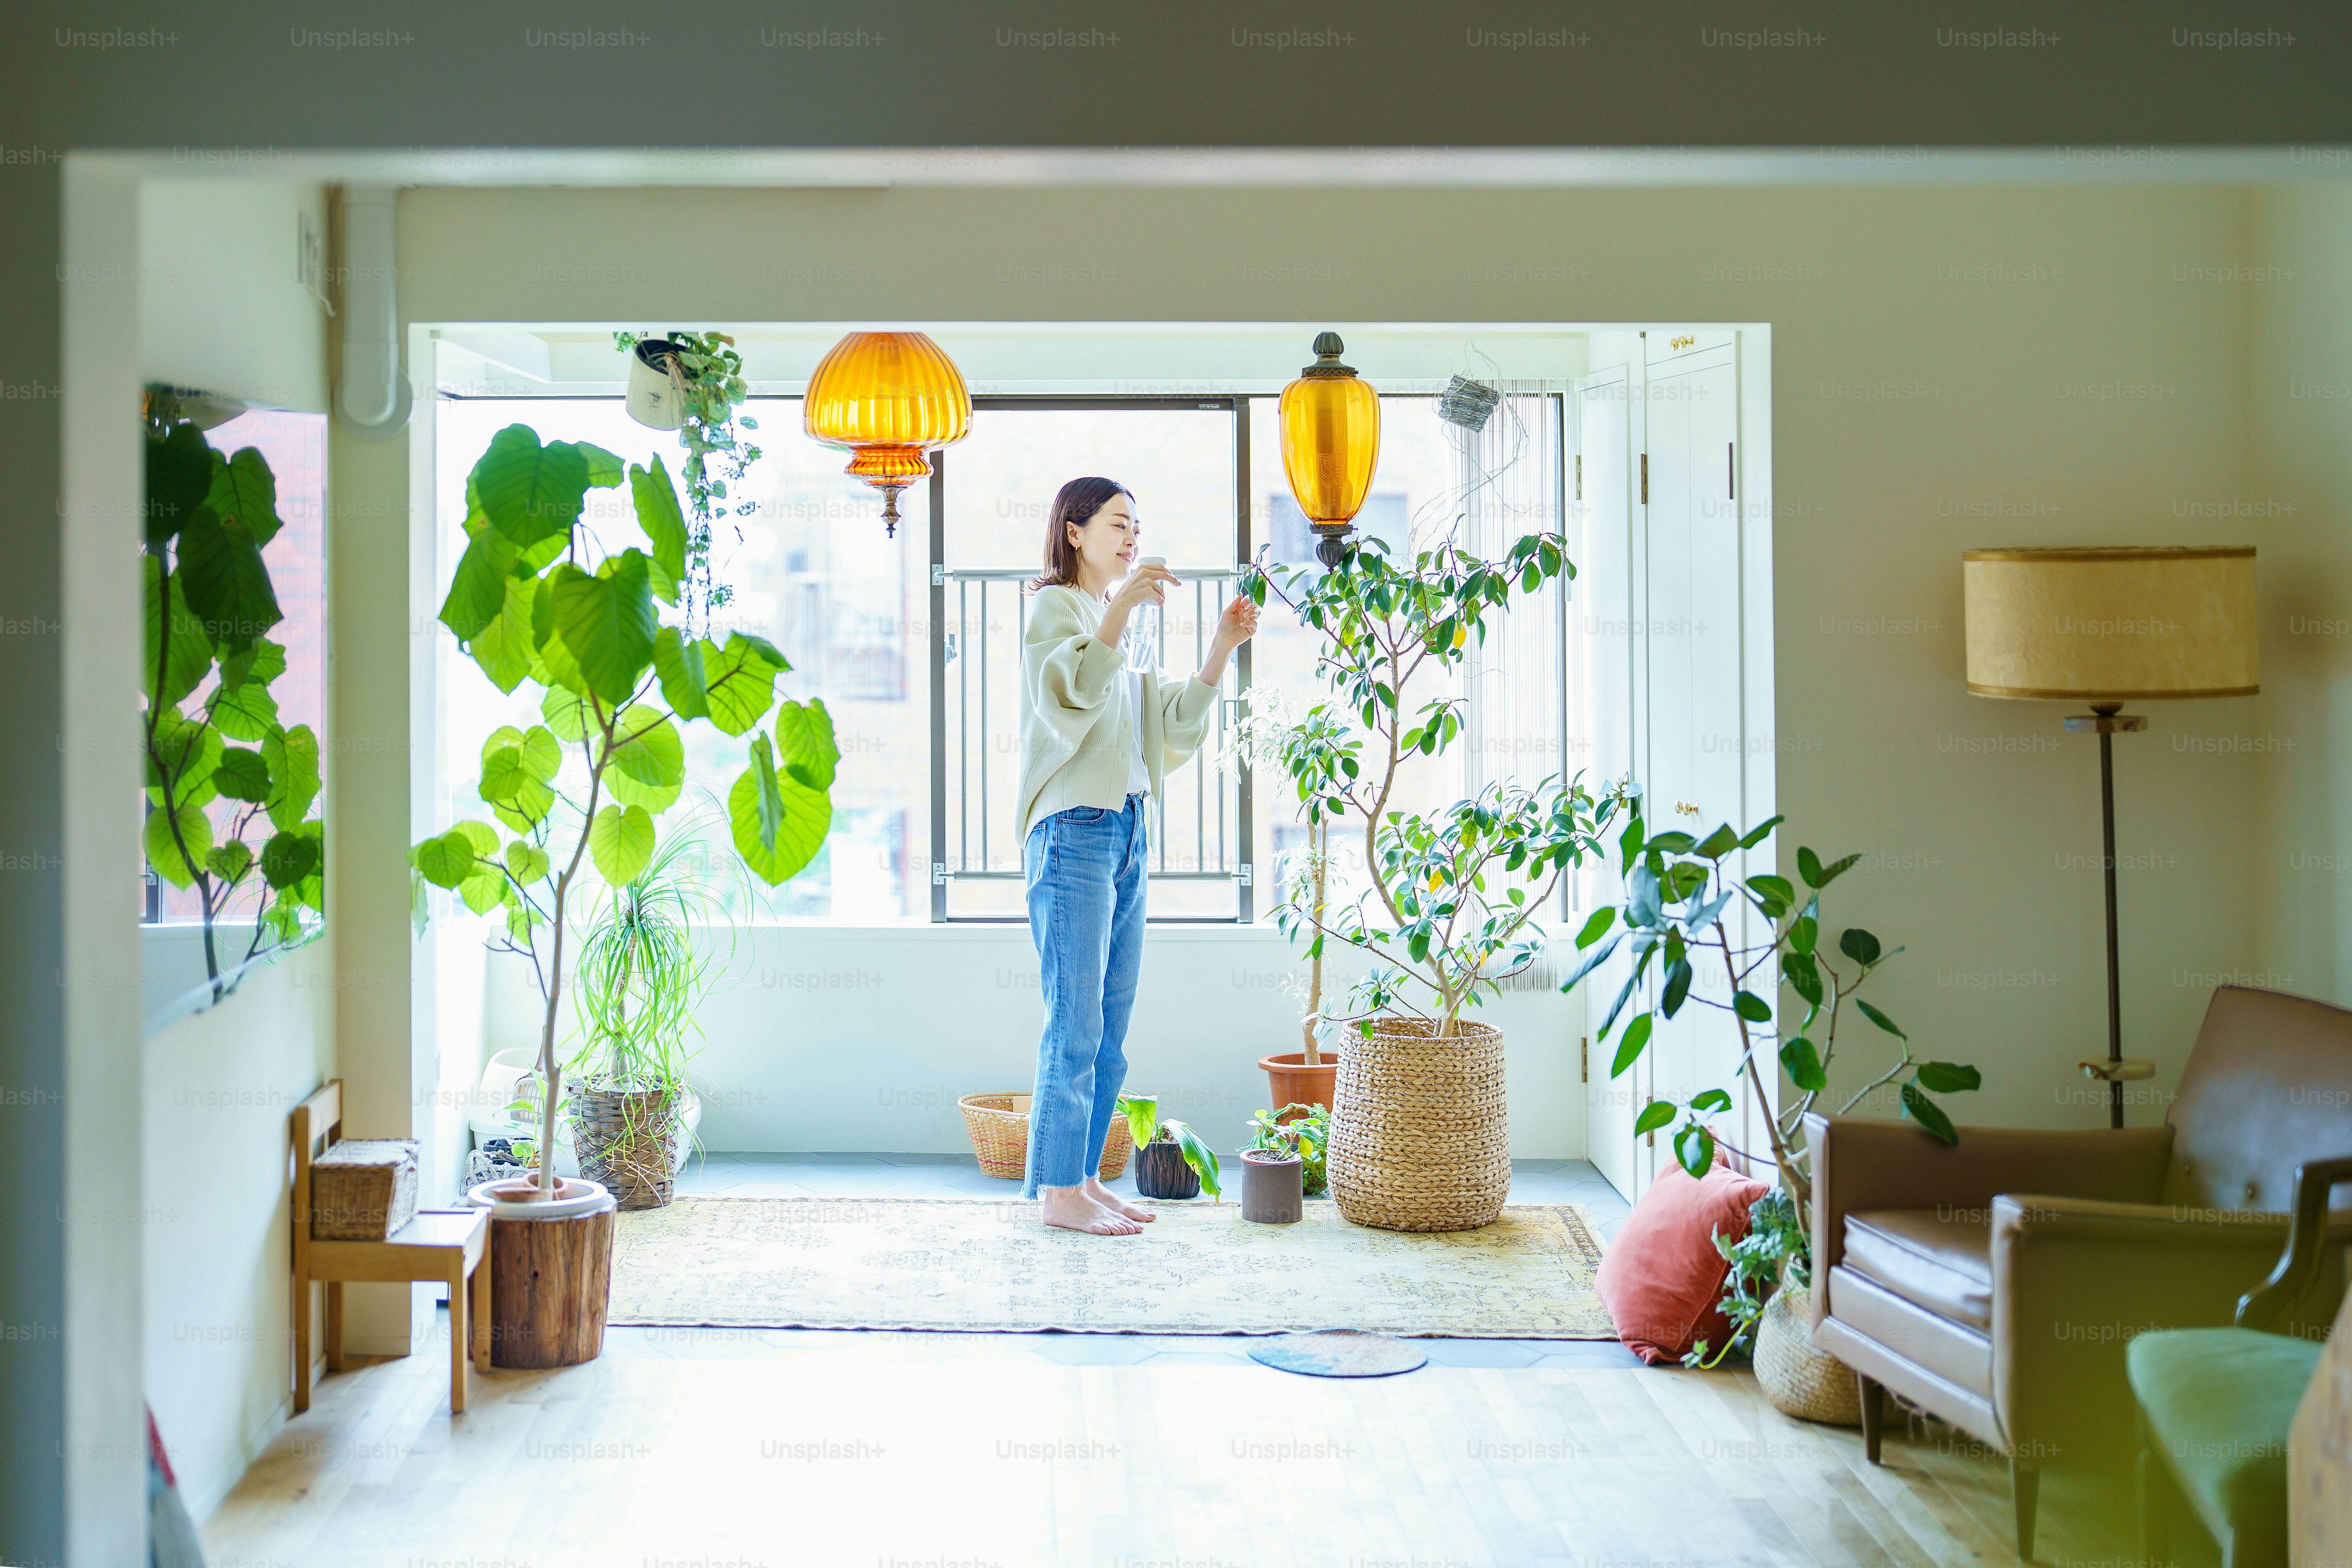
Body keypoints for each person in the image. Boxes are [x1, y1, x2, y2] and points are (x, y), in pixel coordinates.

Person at [1015, 477, 1258, 1235]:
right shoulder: (1057, 609)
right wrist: (1121, 612)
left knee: (1109, 1030)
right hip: (1073, 831)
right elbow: (1077, 691)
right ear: (1075, 532)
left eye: (1137, 526)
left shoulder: (1112, 623)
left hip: (1125, 830)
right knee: (1075, 1025)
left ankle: (1081, 1179)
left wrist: (1220, 648)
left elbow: (1170, 725)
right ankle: (1058, 1195)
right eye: (1117, 524)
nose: (1131, 537)